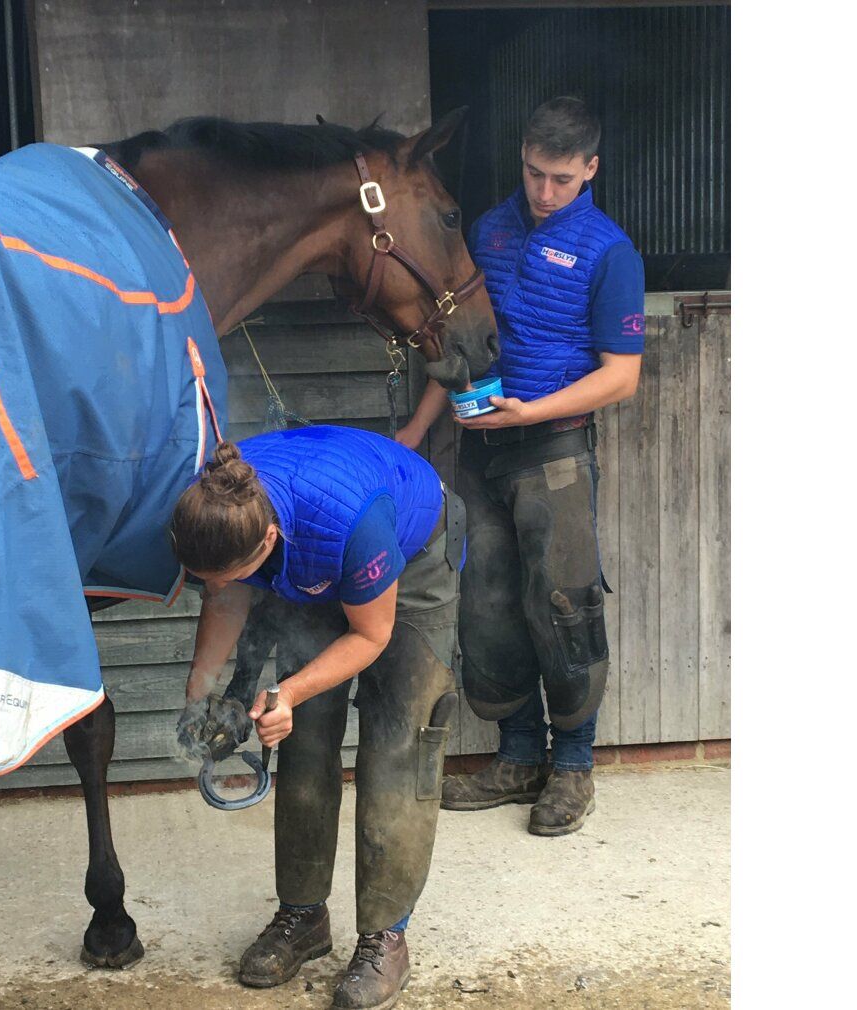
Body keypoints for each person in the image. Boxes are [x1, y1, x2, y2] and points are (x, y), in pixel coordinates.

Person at [396, 97, 644, 836]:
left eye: (561, 179)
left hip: (553, 449)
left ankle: (572, 766)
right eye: (534, 173)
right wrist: (412, 432)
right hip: (479, 452)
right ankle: (517, 756)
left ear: (590, 169)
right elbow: (461, 349)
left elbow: (621, 376)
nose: (543, 192)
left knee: (563, 602)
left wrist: (531, 414)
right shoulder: (489, 231)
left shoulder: (609, 251)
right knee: (488, 600)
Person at [172, 426, 464, 1010]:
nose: (224, 586)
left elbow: (371, 632)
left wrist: (289, 689)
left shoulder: (352, 523)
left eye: (233, 572)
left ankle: (385, 935)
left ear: (269, 539)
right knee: (302, 740)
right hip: (313, 551)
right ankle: (303, 916)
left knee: (397, 741)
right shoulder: (220, 505)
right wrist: (200, 693)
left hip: (406, 553)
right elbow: (226, 593)